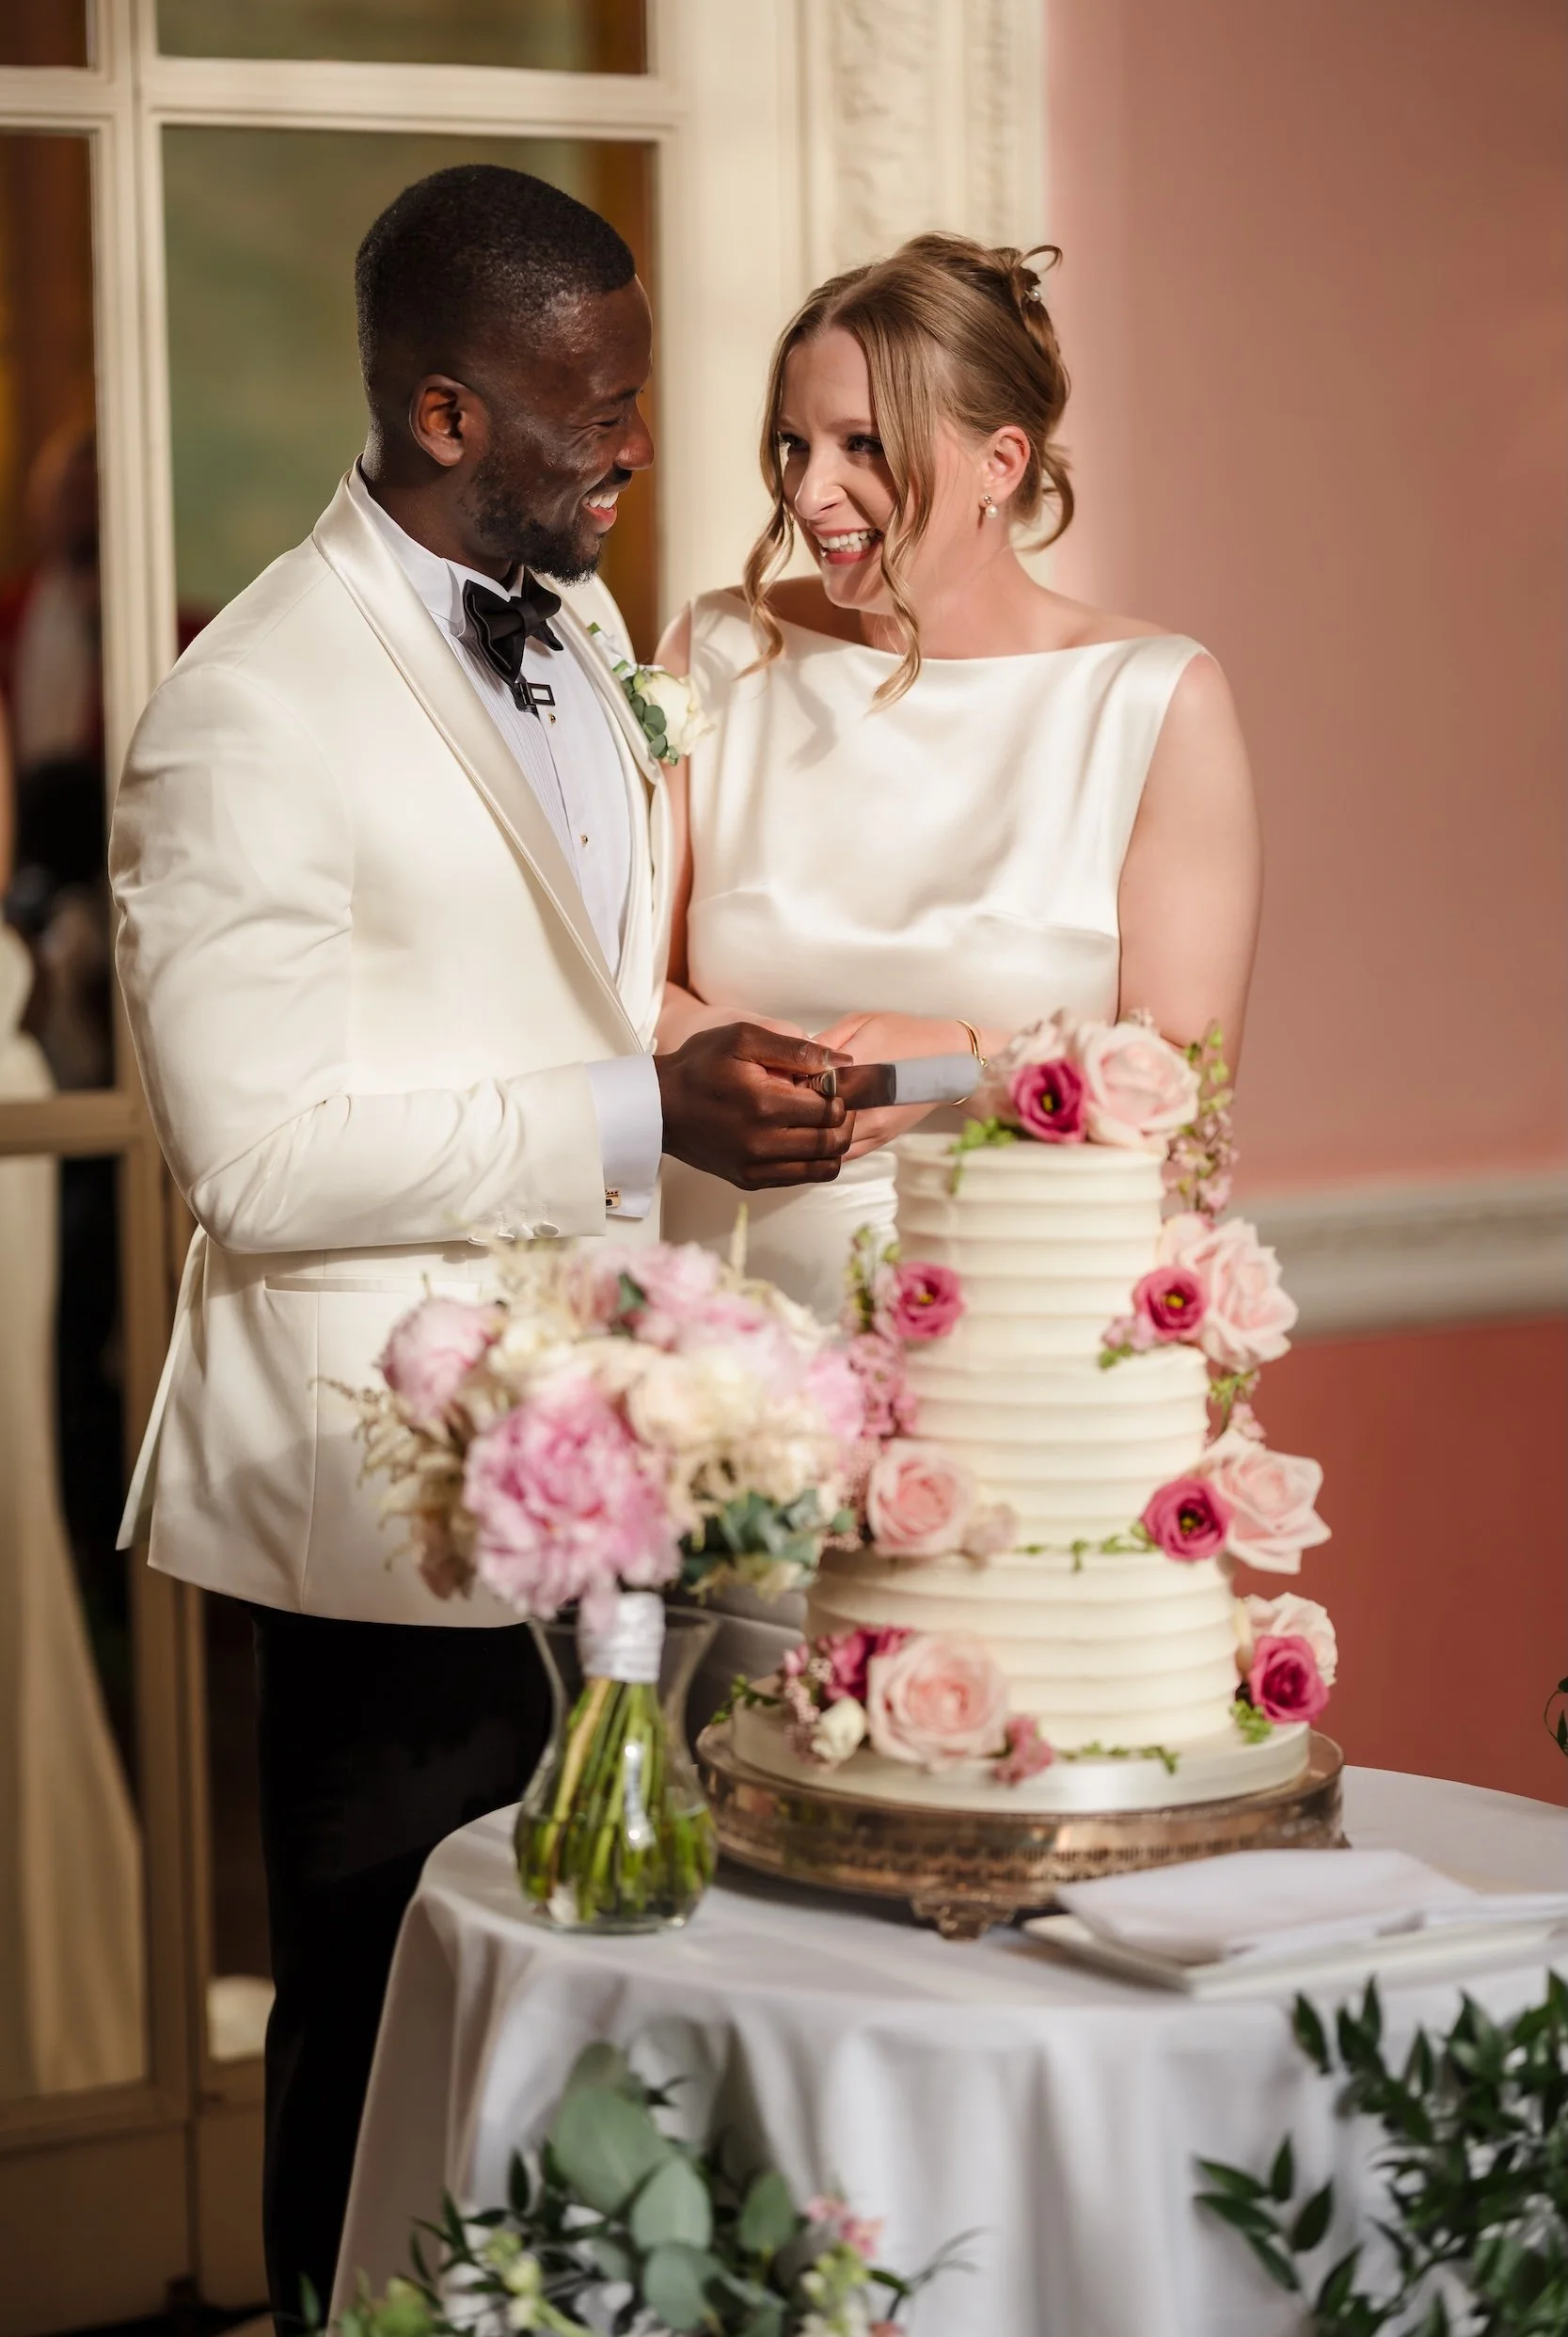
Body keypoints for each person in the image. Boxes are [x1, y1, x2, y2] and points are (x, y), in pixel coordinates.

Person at [109, 165, 852, 2325]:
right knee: (381, 2054)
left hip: (623, 1473)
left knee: (601, 2057)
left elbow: (572, 993)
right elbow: (251, 1161)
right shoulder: (246, 707)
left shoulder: (595, 629)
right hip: (391, 1507)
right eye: (590, 404)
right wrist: (638, 1110)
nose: (636, 440)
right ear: (445, 416)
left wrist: (712, 1084)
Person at [657, 231, 1261, 1317]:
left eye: (863, 447)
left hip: (1021, 1325)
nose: (810, 491)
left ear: (1001, 462)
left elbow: (1181, 1090)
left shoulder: (1150, 700)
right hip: (724, 1329)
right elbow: (613, 991)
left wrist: (961, 1056)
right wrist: (756, 1064)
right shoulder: (716, 654)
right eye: (795, 444)